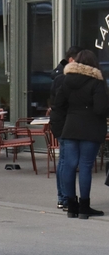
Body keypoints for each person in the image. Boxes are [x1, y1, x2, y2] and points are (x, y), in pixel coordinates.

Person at [53, 49, 109, 219]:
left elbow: (58, 105)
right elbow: (101, 108)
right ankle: (84, 206)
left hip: (70, 127)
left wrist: (59, 127)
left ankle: (71, 206)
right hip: (91, 128)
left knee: (69, 166)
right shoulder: (97, 81)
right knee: (85, 166)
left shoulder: (66, 80)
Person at [50, 46, 82, 210]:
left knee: (64, 160)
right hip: (64, 123)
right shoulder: (65, 78)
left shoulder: (59, 76)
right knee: (66, 161)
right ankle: (64, 197)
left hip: (60, 122)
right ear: (72, 60)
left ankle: (62, 197)